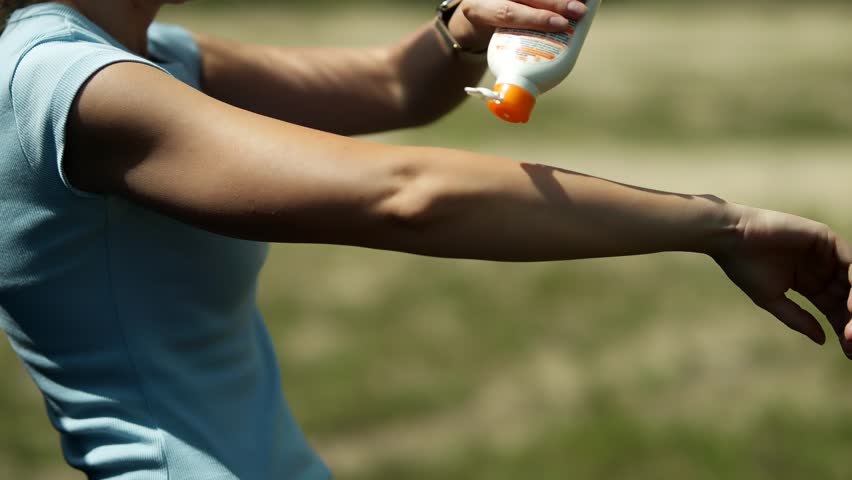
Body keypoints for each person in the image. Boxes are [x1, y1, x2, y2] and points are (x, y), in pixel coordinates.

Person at [0, 0, 850, 478]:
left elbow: (390, 85)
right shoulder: (57, 80)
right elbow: (404, 196)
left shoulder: (150, 55)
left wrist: (463, 30)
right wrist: (717, 223)